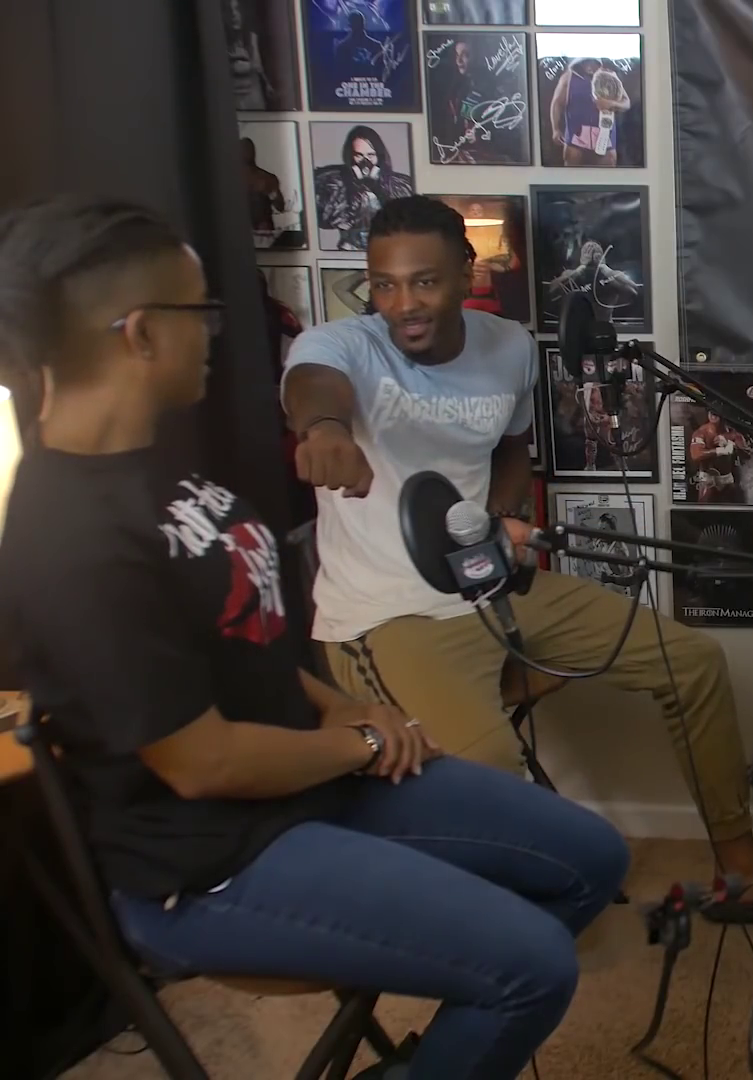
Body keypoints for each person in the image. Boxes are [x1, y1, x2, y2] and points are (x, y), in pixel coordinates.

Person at [0, 197, 630, 1080]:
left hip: (308, 783)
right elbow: (202, 764)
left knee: (592, 857)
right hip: (216, 863)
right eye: (200, 311)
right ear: (139, 334)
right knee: (532, 967)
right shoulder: (69, 536)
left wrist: (342, 706)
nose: (216, 333)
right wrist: (362, 743)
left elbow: (241, 643)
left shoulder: (153, 466)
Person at [280, 197, 753, 884]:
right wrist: (327, 432)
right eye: (384, 285)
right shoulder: (340, 346)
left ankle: (739, 862)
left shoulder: (508, 347)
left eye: (424, 281)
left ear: (466, 272)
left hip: (488, 582)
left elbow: (512, 446)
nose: (403, 304)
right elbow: (314, 388)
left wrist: (500, 512)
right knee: (496, 784)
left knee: (693, 662)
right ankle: (525, 923)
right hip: (392, 613)